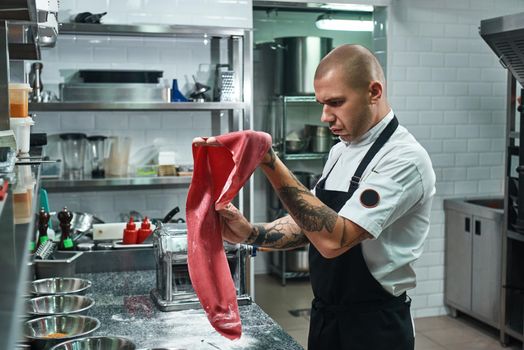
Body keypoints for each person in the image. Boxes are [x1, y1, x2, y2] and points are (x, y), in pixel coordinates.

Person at [193, 44, 435, 350]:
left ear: (374, 92)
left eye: (335, 102)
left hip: (376, 327)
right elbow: (312, 226)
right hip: (326, 317)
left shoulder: (404, 159)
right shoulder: (339, 151)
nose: (324, 116)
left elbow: (336, 239)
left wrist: (269, 160)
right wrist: (252, 233)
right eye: (321, 103)